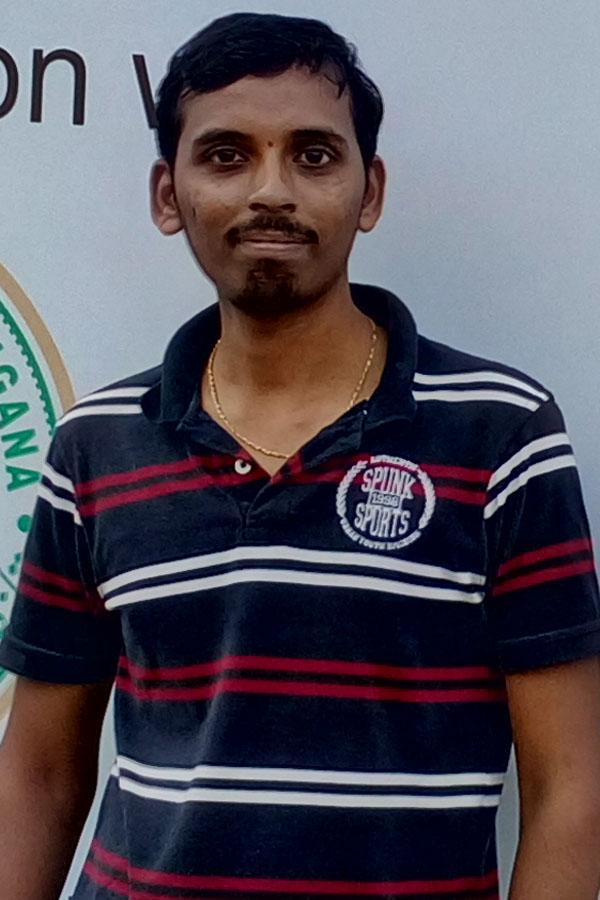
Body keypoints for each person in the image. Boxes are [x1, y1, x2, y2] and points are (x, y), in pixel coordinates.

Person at [1, 11, 600, 899]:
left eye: (314, 156)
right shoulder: (97, 444)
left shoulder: (501, 433)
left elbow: (572, 791)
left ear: (370, 191)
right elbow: (39, 774)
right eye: (226, 156)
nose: (271, 190)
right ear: (168, 195)